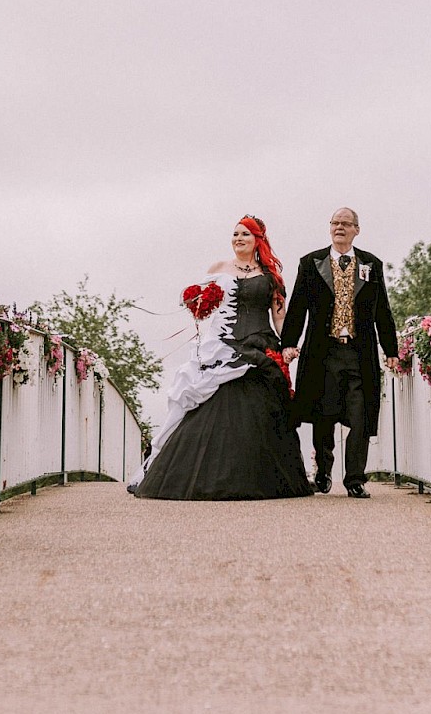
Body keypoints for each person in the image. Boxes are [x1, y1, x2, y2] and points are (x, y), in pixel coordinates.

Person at [133, 217, 312, 501]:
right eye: (235, 234)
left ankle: (260, 478)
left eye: (245, 234)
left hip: (259, 344)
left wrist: (288, 346)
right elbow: (200, 308)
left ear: (258, 240)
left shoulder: (271, 277)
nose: (238, 238)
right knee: (205, 404)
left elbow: (279, 317)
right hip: (221, 346)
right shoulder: (217, 269)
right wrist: (198, 302)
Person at [280, 208, 399, 498]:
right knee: (324, 414)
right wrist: (288, 343)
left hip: (360, 353)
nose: (340, 228)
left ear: (357, 230)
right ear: (329, 228)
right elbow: (297, 306)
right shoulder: (311, 263)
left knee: (360, 415)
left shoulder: (371, 263)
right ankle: (323, 471)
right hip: (323, 352)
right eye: (335, 223)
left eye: (346, 224)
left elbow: (382, 309)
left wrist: (391, 349)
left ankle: (355, 479)